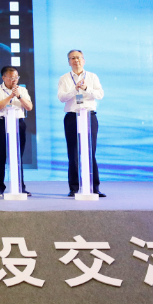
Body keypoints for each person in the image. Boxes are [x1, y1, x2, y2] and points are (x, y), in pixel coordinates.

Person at [57, 49, 106, 197]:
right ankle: (74, 188)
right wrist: (75, 89)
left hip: (89, 116)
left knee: (90, 151)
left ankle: (94, 187)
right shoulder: (64, 78)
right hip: (72, 117)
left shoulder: (92, 76)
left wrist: (86, 88)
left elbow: (100, 94)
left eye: (78, 57)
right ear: (69, 62)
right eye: (72, 58)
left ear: (83, 60)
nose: (76, 60)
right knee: (73, 152)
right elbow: (61, 97)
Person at [0, 65, 33, 196]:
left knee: (18, 156)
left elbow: (29, 107)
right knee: (1, 156)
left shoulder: (22, 90)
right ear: (4, 78)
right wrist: (10, 96)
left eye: (16, 77)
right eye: (11, 78)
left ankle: (20, 186)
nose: (14, 80)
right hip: (1, 123)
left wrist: (18, 96)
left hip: (18, 123)